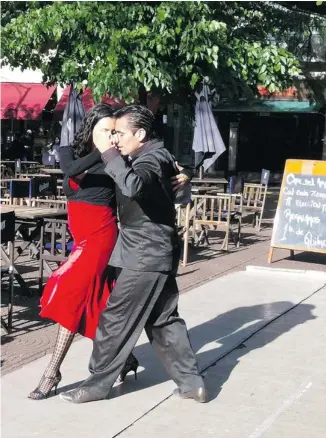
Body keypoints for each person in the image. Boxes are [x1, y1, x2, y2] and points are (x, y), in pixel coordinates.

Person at [28, 103, 189, 400]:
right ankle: (124, 359)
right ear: (91, 130)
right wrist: (102, 149)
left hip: (101, 238)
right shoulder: (72, 153)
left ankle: (52, 371)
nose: (112, 138)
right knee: (97, 303)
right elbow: (70, 170)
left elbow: (150, 178)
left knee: (71, 292)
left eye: (115, 132)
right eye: (106, 131)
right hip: (80, 238)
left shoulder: (120, 161)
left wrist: (182, 176)